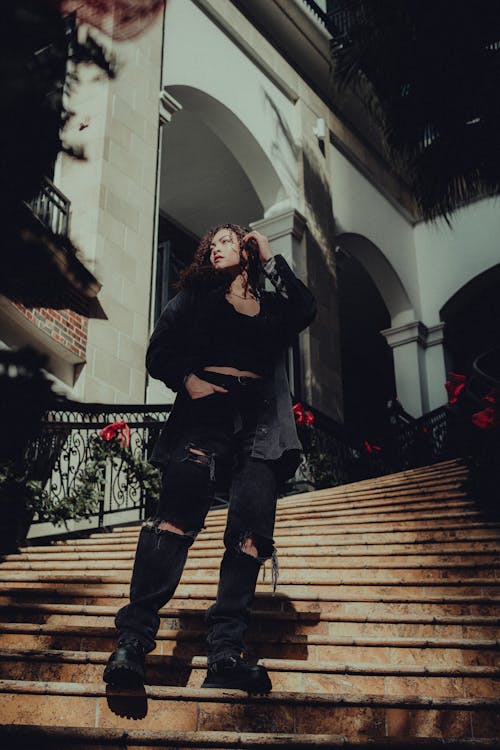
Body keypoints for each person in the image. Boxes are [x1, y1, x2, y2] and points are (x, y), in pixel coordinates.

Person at [103, 223, 316, 694]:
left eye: (226, 240)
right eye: (211, 243)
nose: (216, 247)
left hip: (259, 421)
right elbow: (159, 352)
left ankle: (224, 655)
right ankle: (133, 643)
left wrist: (270, 254)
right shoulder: (196, 297)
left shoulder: (272, 305)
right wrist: (189, 381)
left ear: (245, 247)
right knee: (173, 523)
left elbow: (306, 309)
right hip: (205, 414)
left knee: (250, 538)